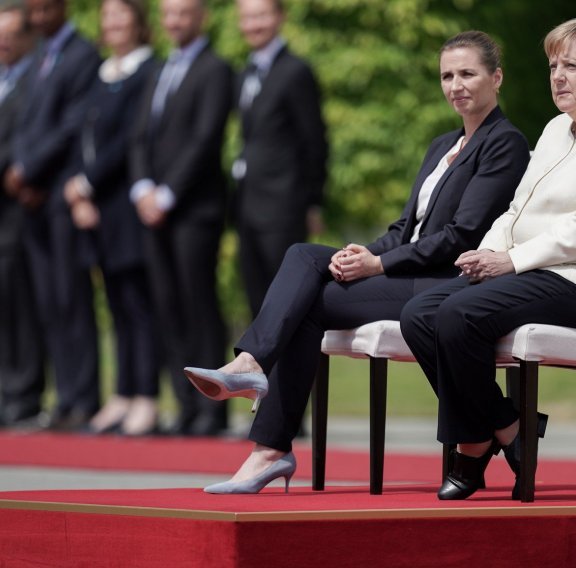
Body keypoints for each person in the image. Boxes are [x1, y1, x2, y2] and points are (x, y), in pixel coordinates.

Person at [183, 30, 530, 493]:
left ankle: (266, 438)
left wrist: (378, 267)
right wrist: (365, 253)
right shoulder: (441, 145)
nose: (456, 85)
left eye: (468, 73)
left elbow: (458, 237)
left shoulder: (504, 143)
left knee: (305, 301)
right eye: (447, 75)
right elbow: (404, 228)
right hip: (408, 269)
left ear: (496, 77)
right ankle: (256, 394)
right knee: (304, 257)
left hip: (445, 282)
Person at [400, 17, 576, 500]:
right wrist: (488, 252)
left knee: (459, 314)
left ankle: (474, 450)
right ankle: (503, 428)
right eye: (553, 65)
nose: (557, 76)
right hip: (545, 270)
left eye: (572, 65)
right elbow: (518, 209)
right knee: (419, 314)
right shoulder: (557, 128)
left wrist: (513, 260)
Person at [129, 0, 233, 436]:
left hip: (194, 209)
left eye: (183, 13)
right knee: (167, 305)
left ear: (201, 16)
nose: (174, 21)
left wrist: (168, 193)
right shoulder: (158, 69)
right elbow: (139, 137)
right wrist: (142, 188)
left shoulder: (216, 69)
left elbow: (205, 138)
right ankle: (186, 406)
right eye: (168, 14)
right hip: (153, 209)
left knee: (198, 304)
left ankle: (212, 409)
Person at [4, 0, 102, 431]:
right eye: (34, 12)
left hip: (61, 191)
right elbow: (27, 123)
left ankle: (84, 397)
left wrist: (30, 170)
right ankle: (64, 397)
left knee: (71, 298)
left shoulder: (82, 54)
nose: (39, 18)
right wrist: (20, 172)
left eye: (46, 10)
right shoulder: (41, 54)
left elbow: (72, 124)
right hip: (33, 199)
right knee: (48, 303)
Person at [63, 0, 159, 435]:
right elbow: (82, 138)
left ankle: (146, 396)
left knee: (139, 304)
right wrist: (79, 192)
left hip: (125, 202)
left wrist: (86, 184)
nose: (114, 24)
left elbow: (126, 142)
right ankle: (121, 394)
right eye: (107, 18)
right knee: (116, 303)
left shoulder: (146, 71)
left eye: (122, 17)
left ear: (138, 23)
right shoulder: (103, 73)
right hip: (97, 207)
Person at [234, 0, 328, 318]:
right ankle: (255, 368)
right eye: (246, 17)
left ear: (279, 17)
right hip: (248, 204)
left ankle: (289, 370)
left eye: (260, 15)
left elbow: (314, 140)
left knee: (283, 301)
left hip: (283, 205)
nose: (253, 24)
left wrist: (312, 200)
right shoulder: (247, 70)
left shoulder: (295, 71)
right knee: (255, 298)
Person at [0, 1, 45, 428]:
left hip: (17, 207)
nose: (4, 41)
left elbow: (22, 142)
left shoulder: (33, 78)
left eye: (11, 32)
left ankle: (23, 393)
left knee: (19, 304)